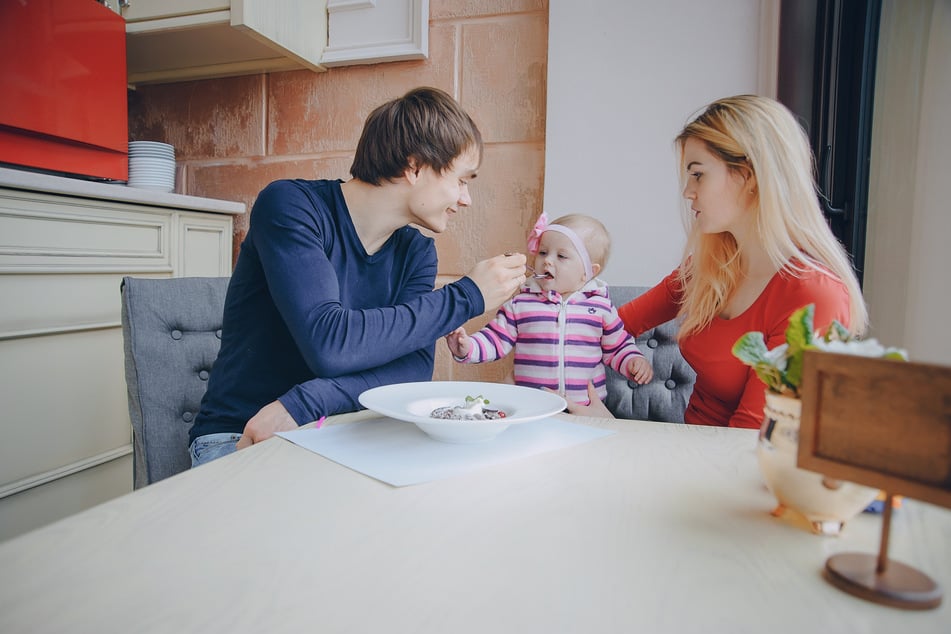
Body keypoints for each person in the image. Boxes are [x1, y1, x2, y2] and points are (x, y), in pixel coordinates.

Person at [188, 86, 528, 466]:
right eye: (462, 180)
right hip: (243, 435)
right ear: (414, 167)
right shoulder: (291, 207)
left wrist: (302, 404)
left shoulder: (416, 251)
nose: (466, 199)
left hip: (342, 432)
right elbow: (329, 342)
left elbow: (412, 369)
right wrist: (467, 297)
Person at [566, 94, 868, 428]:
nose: (687, 192)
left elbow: (749, 440)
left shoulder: (814, 298)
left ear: (748, 175)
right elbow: (614, 324)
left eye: (698, 175)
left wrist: (611, 429)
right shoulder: (711, 266)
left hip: (735, 471)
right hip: (692, 451)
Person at [445, 212, 653, 405]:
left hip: (585, 409)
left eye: (561, 256)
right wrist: (467, 347)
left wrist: (633, 360)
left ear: (588, 272)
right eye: (543, 252)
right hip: (533, 405)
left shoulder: (601, 308)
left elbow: (616, 348)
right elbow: (495, 339)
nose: (547, 261)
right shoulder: (521, 305)